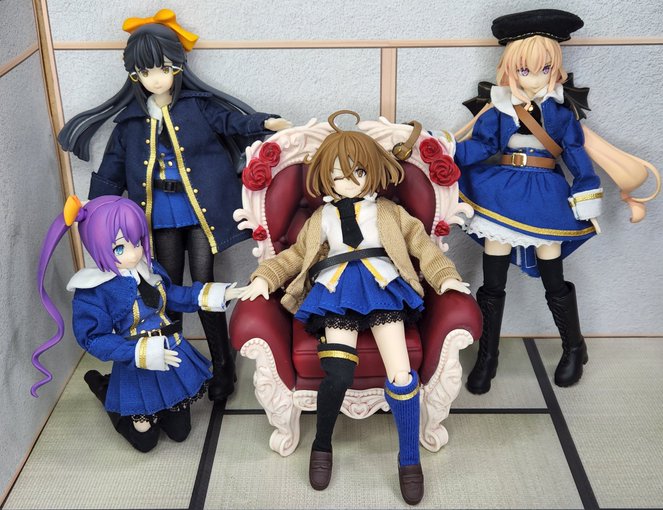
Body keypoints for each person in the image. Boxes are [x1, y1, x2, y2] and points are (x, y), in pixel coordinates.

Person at [57, 9, 291, 402]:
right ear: (135, 75)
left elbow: (232, 123)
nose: (156, 79)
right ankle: (175, 368)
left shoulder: (197, 107)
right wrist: (94, 209)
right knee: (164, 290)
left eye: (163, 69)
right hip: (157, 216)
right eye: (146, 72)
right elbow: (112, 168)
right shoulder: (130, 122)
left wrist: (266, 123)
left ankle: (223, 367)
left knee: (202, 284)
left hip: (199, 212)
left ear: (178, 66)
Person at [239, 111, 470, 505]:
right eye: (338, 176)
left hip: (383, 288)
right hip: (336, 291)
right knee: (338, 371)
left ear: (373, 172)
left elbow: (422, 246)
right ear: (325, 179)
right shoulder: (321, 218)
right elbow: (294, 256)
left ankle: (409, 458)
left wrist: (444, 276)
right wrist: (265, 277)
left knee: (401, 373)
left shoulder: (389, 212)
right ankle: (322, 444)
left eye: (357, 172)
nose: (347, 182)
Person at [453, 9, 660, 393]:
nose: (534, 78)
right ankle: (488, 356)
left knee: (552, 275)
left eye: (544, 69)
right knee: (493, 280)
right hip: (502, 192)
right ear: (510, 69)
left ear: (556, 70)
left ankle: (573, 347)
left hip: (545, 195)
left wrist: (585, 189)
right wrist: (444, 151)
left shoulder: (562, 114)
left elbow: (577, 157)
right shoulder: (498, 109)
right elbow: (480, 147)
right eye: (525, 70)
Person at [32, 196, 242, 452]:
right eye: (120, 248)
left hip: (171, 353)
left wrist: (217, 294)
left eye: (137, 242)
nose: (134, 254)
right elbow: (93, 338)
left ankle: (147, 401)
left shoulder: (150, 269)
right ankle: (103, 387)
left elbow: (173, 295)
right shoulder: (93, 290)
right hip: (136, 362)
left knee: (180, 432)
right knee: (145, 441)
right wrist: (138, 352)